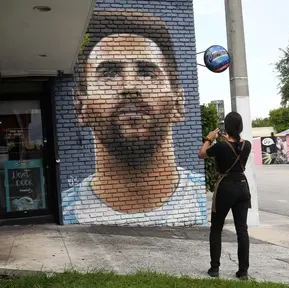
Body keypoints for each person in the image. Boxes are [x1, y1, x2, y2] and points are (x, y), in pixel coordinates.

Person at [61, 10, 207, 226]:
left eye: (147, 72)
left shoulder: (201, 203)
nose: (130, 87)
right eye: (110, 73)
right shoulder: (65, 209)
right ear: (81, 106)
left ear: (178, 103)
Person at [198, 112, 252, 280]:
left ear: (226, 127)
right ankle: (243, 271)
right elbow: (235, 146)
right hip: (243, 186)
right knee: (242, 229)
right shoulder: (247, 145)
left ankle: (215, 268)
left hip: (226, 187)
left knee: (216, 228)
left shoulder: (221, 146)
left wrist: (209, 138)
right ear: (240, 126)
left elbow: (202, 154)